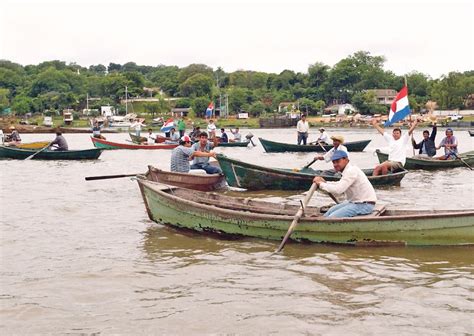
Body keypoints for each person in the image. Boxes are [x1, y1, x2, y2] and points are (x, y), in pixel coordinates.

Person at [313, 150, 377, 218]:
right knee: (330, 211)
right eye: (333, 162)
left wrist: (320, 184)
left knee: (331, 218)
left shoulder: (351, 171)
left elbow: (338, 190)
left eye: (337, 161)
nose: (335, 165)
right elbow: (340, 184)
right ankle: (321, 221)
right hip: (355, 202)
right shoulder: (347, 171)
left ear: (346, 159)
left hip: (364, 205)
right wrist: (325, 183)